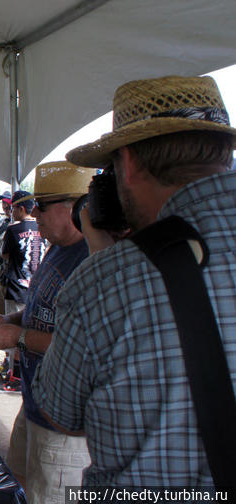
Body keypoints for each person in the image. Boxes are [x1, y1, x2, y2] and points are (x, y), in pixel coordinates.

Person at [32, 75, 236, 488]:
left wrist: (101, 251)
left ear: (127, 163)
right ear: (225, 153)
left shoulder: (107, 279)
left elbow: (61, 414)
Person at [0, 162, 95, 502]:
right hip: (36, 402)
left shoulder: (91, 259)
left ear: (76, 207)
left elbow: (83, 346)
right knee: (22, 484)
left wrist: (17, 338)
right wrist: (11, 320)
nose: (33, 212)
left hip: (65, 423)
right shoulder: (57, 248)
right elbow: (44, 309)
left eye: (44, 204)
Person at [1, 190, 45, 313]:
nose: (11, 212)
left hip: (16, 288)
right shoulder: (43, 227)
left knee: (13, 327)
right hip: (37, 287)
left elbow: (5, 255)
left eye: (13, 208)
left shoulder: (13, 229)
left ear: (21, 209)